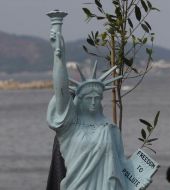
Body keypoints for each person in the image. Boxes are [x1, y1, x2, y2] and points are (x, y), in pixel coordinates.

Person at [46, 10, 127, 190]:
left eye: (97, 98)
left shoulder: (110, 129)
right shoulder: (70, 125)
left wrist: (140, 174)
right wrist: (59, 56)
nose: (93, 102)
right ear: (79, 99)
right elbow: (61, 91)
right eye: (88, 98)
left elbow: (123, 165)